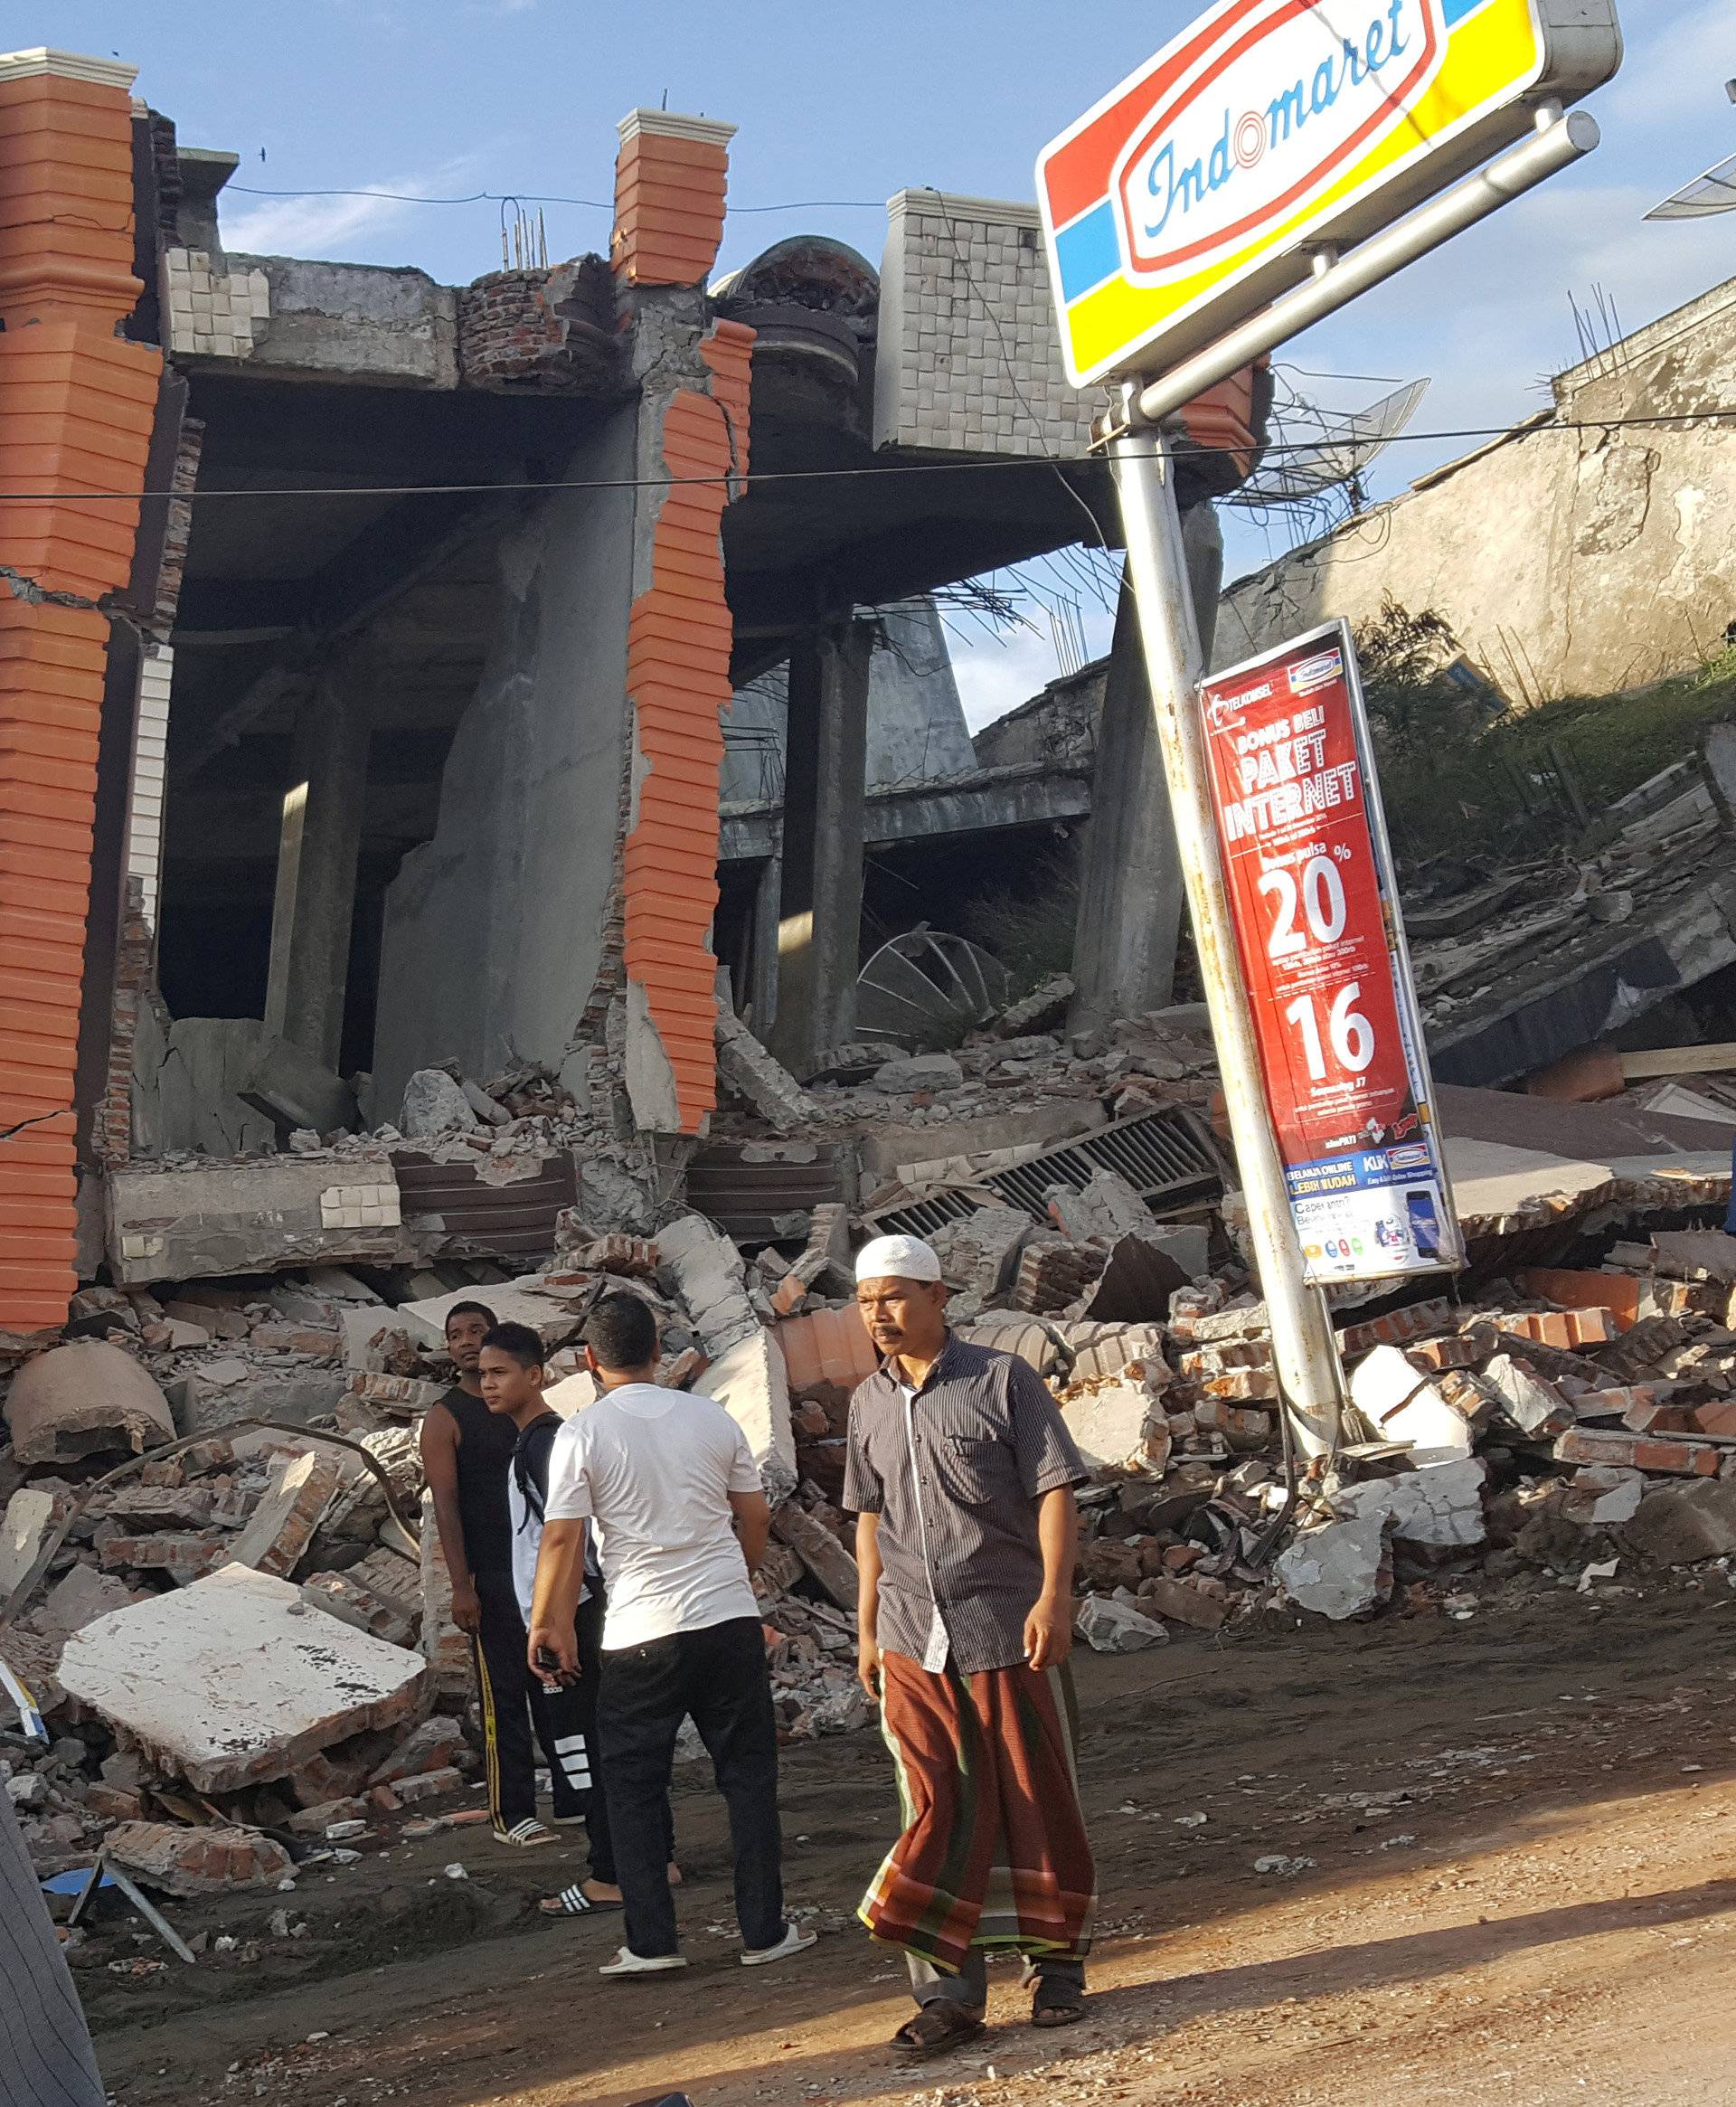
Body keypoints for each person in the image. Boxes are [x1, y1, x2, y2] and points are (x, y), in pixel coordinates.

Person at [844, 1233, 1096, 2062]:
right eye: (867, 1300)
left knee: (1032, 1793)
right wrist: (868, 1625)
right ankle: (948, 1994)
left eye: (894, 1297)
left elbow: (1053, 1487)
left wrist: (1055, 1597)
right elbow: (870, 1518)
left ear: (938, 1297)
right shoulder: (866, 1402)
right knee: (933, 1802)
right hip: (915, 1632)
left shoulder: (1000, 1379)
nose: (879, 1313)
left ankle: (1058, 1965)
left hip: (1006, 1621)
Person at [528, 1291, 816, 1979]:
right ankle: (765, 1931)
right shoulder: (711, 1418)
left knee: (632, 1787)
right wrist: (735, 1577)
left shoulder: (582, 1433)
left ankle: (653, 1942)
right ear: (659, 1351)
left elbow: (563, 1538)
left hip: (639, 1633)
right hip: (726, 1623)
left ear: (589, 1360)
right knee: (746, 1779)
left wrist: (550, 1625)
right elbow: (752, 1514)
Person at [419, 1299, 554, 1847]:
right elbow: (446, 1507)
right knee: (504, 1693)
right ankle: (511, 1812)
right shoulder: (446, 1418)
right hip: (492, 1577)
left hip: (542, 1574)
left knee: (556, 1683)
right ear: (448, 1348)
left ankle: (571, 1795)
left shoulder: (522, 1411)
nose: (468, 1341)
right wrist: (461, 1585)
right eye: (457, 1335)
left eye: (478, 1331)